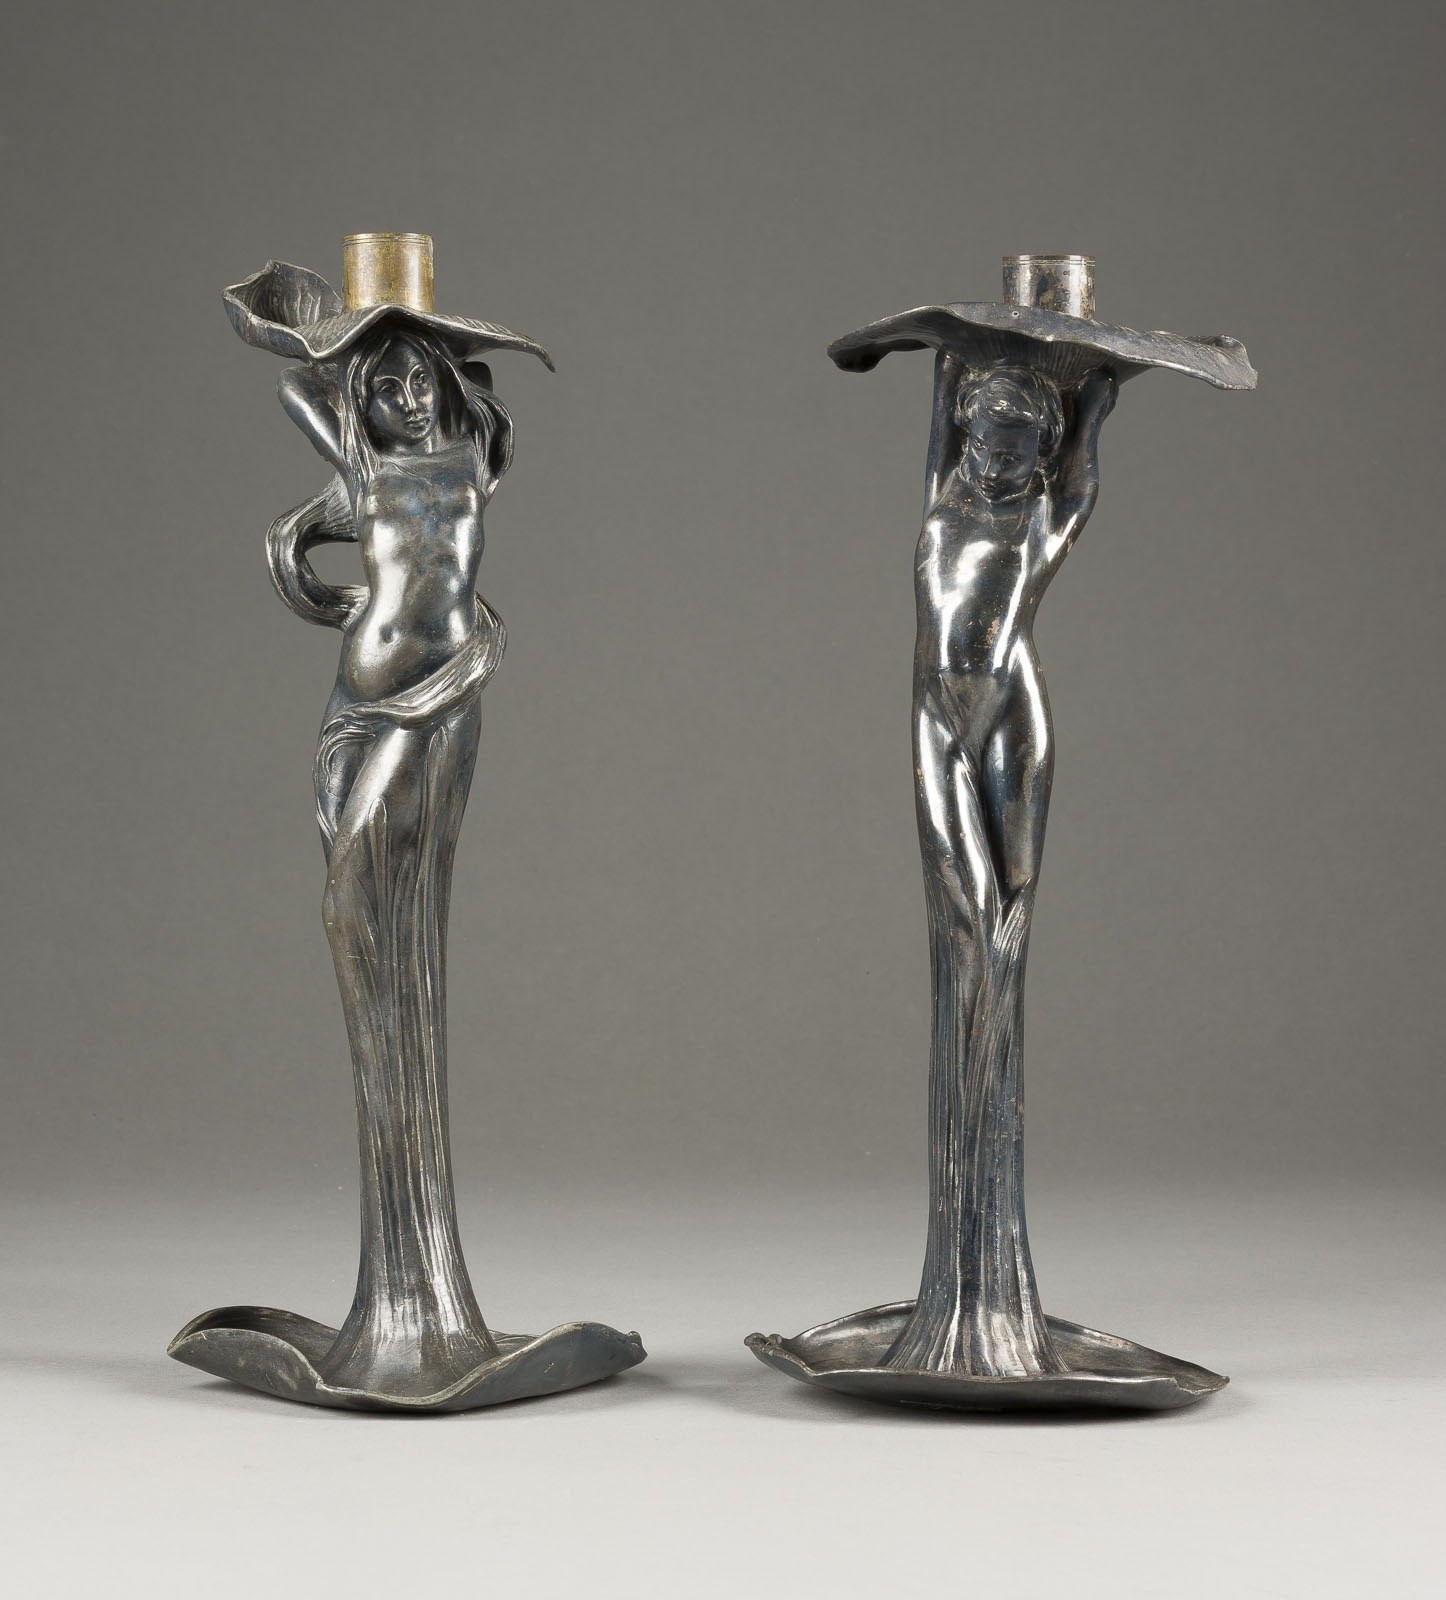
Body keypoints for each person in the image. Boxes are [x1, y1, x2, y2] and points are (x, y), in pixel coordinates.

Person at [267, 326, 514, 1395]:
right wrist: (342, 334)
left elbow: (478, 399)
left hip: (437, 701)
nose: (409, 397)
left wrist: (409, 343)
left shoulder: (472, 457)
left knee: (376, 917)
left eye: (422, 378)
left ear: (448, 384)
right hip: (357, 706)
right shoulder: (360, 471)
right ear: (360, 400)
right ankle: (398, 1287)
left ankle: (422, 1293)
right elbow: (298, 393)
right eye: (386, 386)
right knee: (351, 911)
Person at [886, 355, 1118, 1376]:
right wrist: (952, 347)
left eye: (1020, 446)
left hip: (1011, 719)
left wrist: (1096, 399)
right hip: (937, 715)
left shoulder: (1046, 516)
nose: (995, 458)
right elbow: (941, 408)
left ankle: (989, 1274)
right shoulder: (941, 492)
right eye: (985, 438)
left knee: (1007, 929)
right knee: (966, 922)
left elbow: (1083, 479)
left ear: (1042, 452)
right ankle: (960, 1273)